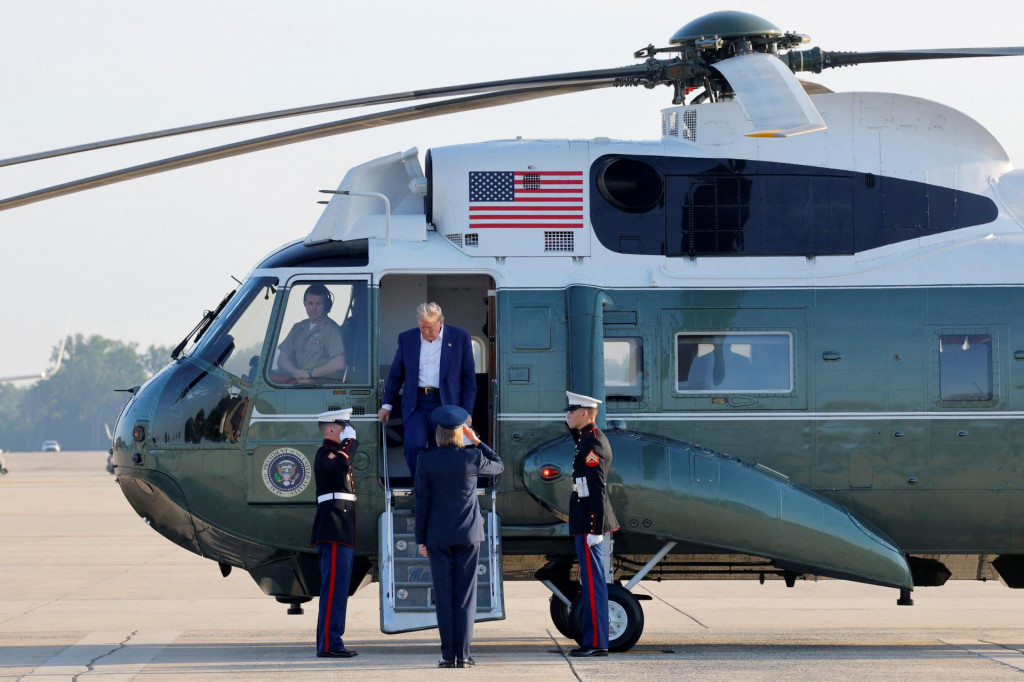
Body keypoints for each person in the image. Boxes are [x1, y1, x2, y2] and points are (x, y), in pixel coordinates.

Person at [414, 405, 503, 669]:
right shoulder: (473, 457)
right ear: (460, 433)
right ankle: (463, 656)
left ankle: (446, 656)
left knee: (444, 596)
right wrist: (477, 441)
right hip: (468, 534)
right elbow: (499, 466)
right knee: (465, 597)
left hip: (438, 536)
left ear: (439, 433)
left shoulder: (426, 460)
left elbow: (422, 502)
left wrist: (421, 539)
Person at [378, 302, 476, 479]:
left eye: (429, 327)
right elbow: (396, 374)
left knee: (444, 450)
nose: (425, 331)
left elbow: (468, 379)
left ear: (440, 322)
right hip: (417, 403)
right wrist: (387, 404)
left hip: (446, 404)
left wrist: (466, 412)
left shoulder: (460, 338)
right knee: (413, 446)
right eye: (422, 327)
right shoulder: (407, 338)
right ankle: (421, 487)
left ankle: (440, 489)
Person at [564, 391, 620, 657]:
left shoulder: (593, 443)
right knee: (590, 582)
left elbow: (597, 489)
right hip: (585, 520)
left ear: (584, 413)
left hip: (589, 523)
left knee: (593, 583)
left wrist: (595, 529)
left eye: (571, 411)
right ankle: (594, 639)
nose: (567, 415)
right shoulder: (586, 437)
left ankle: (596, 642)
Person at [310, 408, 359, 659]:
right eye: (343, 427)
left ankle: (332, 641)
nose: (347, 432)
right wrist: (350, 443)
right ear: (331, 429)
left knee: (338, 590)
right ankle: (329, 644)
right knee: (333, 591)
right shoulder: (325, 454)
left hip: (341, 530)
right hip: (333, 529)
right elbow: (341, 463)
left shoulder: (335, 454)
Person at [277, 284, 347, 382]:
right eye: (310, 303)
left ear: (326, 306)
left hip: (320, 386)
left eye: (318, 304)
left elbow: (339, 363)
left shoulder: (331, 330)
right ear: (304, 303)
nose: (313, 308)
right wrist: (297, 373)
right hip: (297, 382)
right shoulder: (298, 328)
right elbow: (282, 359)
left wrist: (309, 374)